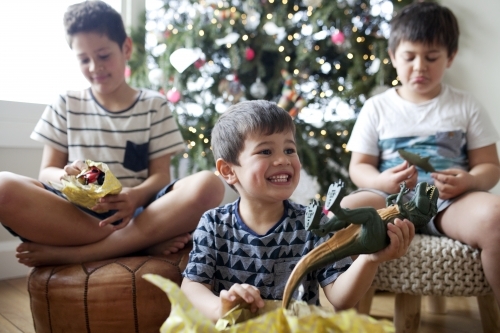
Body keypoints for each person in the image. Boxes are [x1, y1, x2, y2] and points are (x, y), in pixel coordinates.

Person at [0, 0, 225, 267]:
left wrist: (135, 196)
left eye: (104, 55)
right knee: (3, 186)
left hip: (140, 212)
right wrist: (66, 175)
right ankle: (139, 244)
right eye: (84, 59)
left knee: (209, 185)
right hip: (78, 216)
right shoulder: (66, 103)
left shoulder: (154, 105)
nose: (95, 67)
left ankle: (84, 253)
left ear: (126, 48)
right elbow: (46, 170)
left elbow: (160, 176)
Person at [180, 100, 415, 322]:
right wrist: (218, 307)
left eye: (290, 150)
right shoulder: (213, 224)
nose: (283, 159)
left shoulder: (313, 224)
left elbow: (341, 298)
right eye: (265, 151)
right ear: (228, 170)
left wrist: (370, 258)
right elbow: (192, 285)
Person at [342, 2, 500, 307]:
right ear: (392, 57)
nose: (419, 67)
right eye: (409, 57)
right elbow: (359, 167)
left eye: (431, 57)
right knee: (347, 210)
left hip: (450, 204)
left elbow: (490, 166)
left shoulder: (466, 106)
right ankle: (348, 309)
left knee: (496, 218)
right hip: (389, 201)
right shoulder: (377, 107)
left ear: (450, 57)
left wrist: (468, 180)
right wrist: (382, 181)